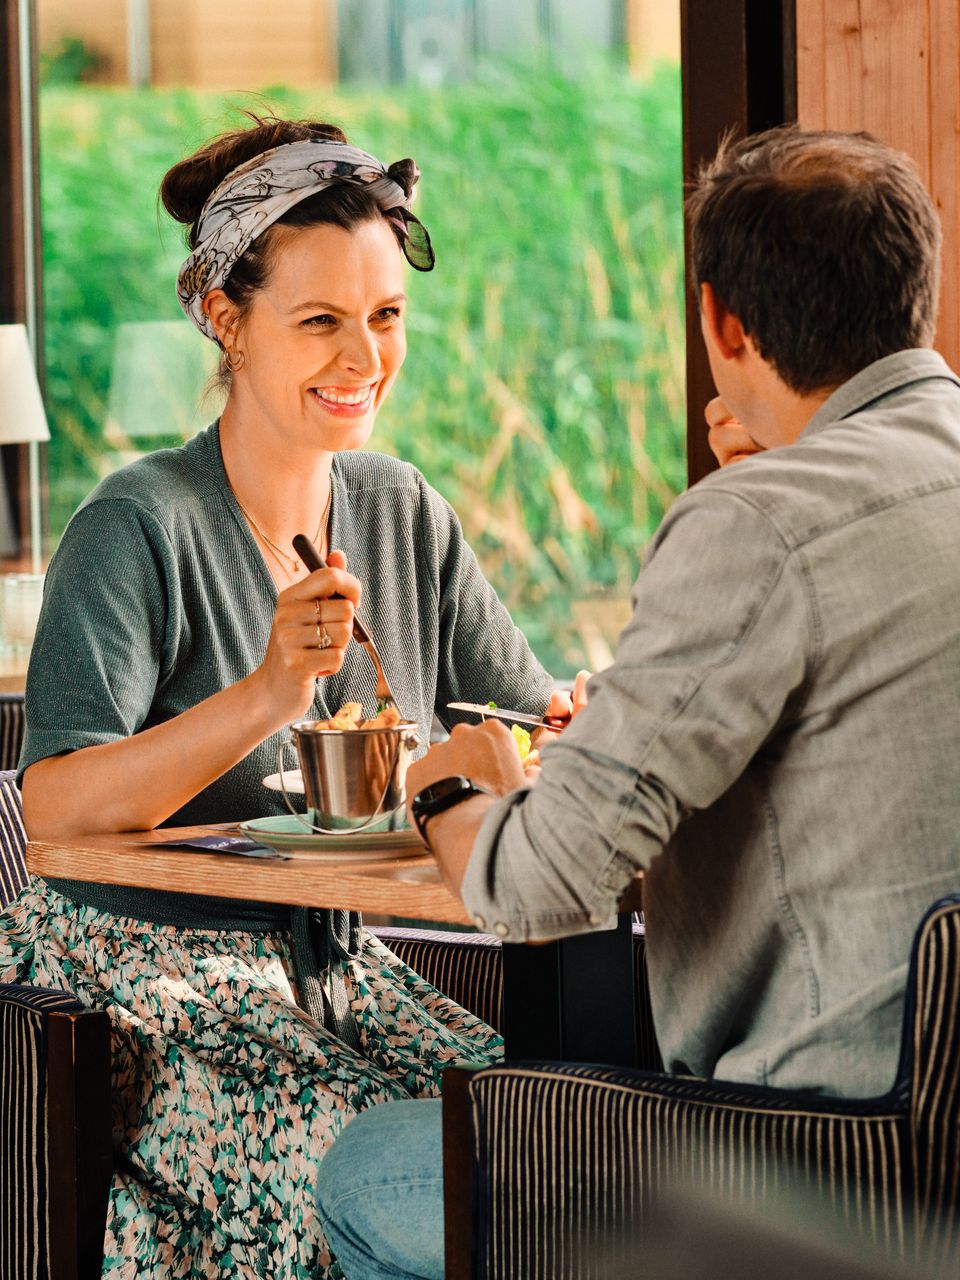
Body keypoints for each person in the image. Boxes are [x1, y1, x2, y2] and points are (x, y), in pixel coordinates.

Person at [315, 124, 960, 1277]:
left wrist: (452, 784)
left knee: (367, 1165)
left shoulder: (761, 524)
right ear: (922, 283)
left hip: (832, 1177)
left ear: (721, 321)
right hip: (937, 1142)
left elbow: (537, 884)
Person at [0, 116, 572, 1277]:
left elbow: (520, 720)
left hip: (342, 970)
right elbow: (51, 811)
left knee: (544, 1131)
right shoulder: (135, 523)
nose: (363, 356)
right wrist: (271, 687)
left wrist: (578, 723)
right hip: (141, 994)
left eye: (385, 316)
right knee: (445, 1179)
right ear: (227, 319)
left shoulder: (401, 509)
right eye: (320, 321)